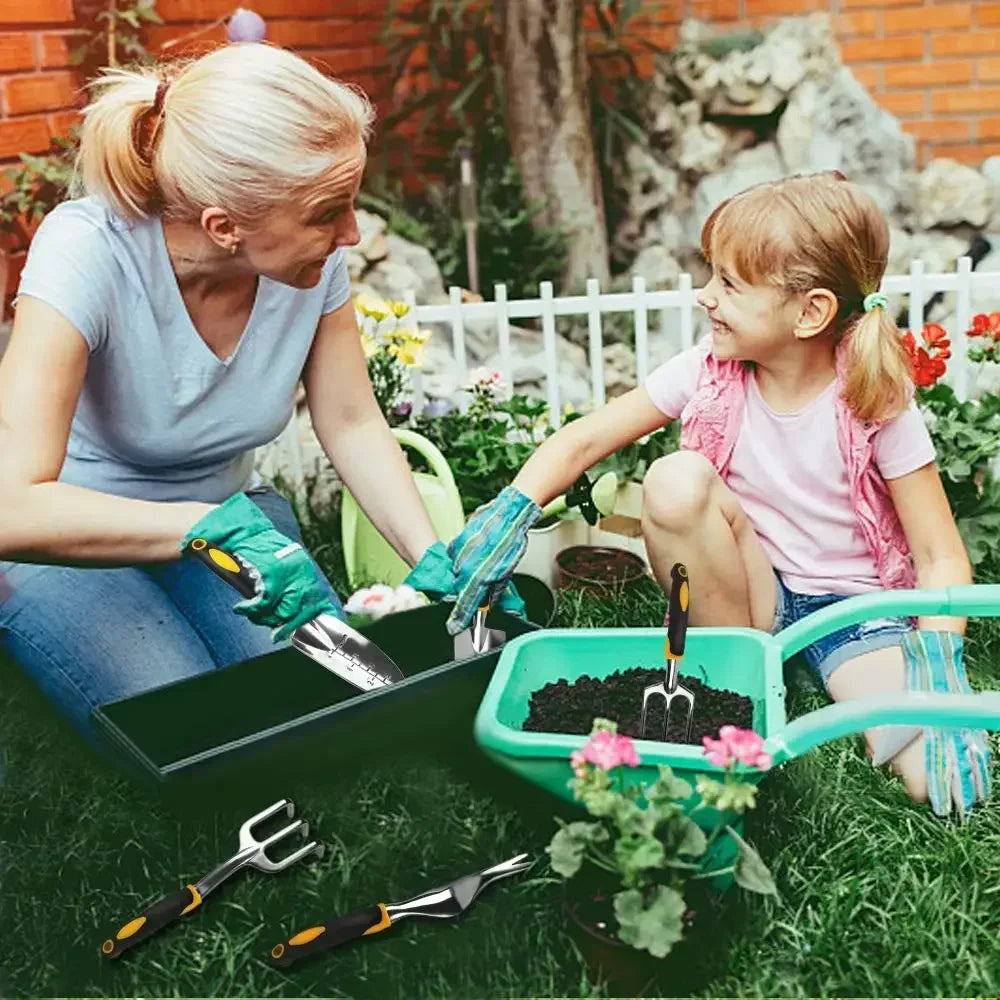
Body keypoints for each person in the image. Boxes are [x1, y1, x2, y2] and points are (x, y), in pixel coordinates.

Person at [411, 171, 992, 819]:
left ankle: (824, 671)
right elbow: (584, 441)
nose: (704, 296)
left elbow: (942, 557)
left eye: (729, 284)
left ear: (811, 312)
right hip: (752, 591)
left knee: (935, 781)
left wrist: (936, 667)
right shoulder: (709, 372)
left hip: (853, 613)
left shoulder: (873, 400)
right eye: (710, 274)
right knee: (674, 479)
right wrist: (513, 509)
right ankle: (736, 669)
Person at [0, 43, 454, 744]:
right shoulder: (89, 251)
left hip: (233, 520)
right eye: (327, 212)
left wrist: (436, 560)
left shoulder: (312, 263)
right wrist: (203, 531)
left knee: (323, 693)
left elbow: (353, 421)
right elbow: (13, 504)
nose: (352, 234)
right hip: (68, 538)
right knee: (184, 719)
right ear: (224, 226)